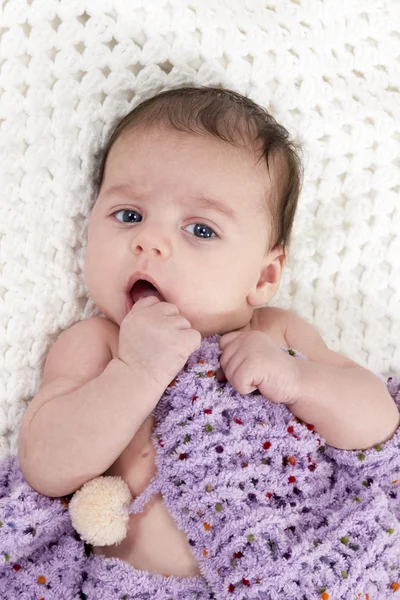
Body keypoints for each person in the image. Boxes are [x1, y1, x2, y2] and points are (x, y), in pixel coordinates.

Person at [6, 85, 400, 599]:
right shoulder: (98, 345)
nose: (150, 241)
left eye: (200, 229)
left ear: (262, 276)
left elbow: (376, 426)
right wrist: (135, 372)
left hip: (307, 565)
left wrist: (298, 378)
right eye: (129, 215)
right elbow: (46, 465)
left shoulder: (275, 332)